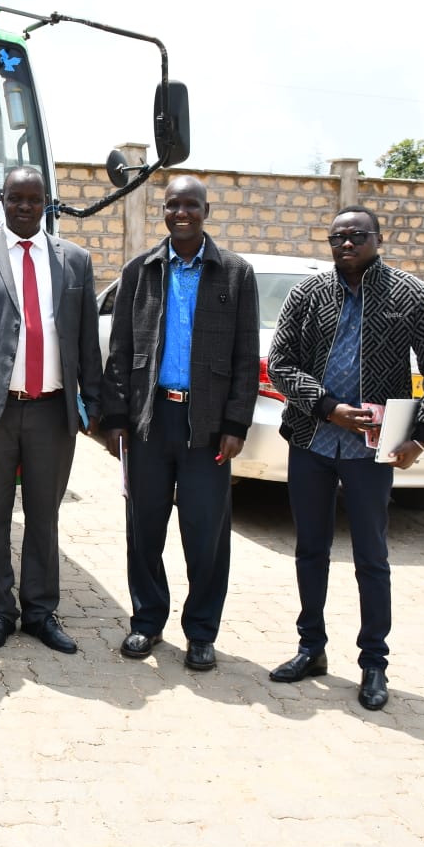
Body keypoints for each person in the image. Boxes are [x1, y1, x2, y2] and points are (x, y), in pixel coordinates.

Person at [266, 205, 424, 710]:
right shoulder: (308, 293)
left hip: (373, 451)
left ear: (377, 238)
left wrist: (422, 435)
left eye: (356, 235)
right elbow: (280, 363)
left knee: (371, 557)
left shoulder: (407, 292)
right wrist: (328, 407)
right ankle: (311, 648)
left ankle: (374, 663)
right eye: (337, 237)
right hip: (311, 441)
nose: (346, 243)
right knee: (310, 549)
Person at [99, 175, 260, 672]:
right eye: (173, 205)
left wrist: (236, 423)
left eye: (191, 205)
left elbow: (246, 356)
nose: (181, 213)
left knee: (204, 533)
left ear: (207, 211)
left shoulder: (235, 274)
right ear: (164, 211)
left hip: (207, 427)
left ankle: (201, 632)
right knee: (144, 528)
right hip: (150, 421)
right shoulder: (140, 270)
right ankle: (147, 621)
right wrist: (116, 417)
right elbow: (121, 351)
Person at [0, 166, 102, 654]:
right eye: (16, 198)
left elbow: (87, 341)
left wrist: (93, 405)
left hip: (53, 411)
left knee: (43, 516)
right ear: (3, 201)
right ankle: (0, 612)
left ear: (46, 202)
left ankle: (40, 612)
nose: (25, 207)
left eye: (34, 199)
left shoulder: (75, 259)